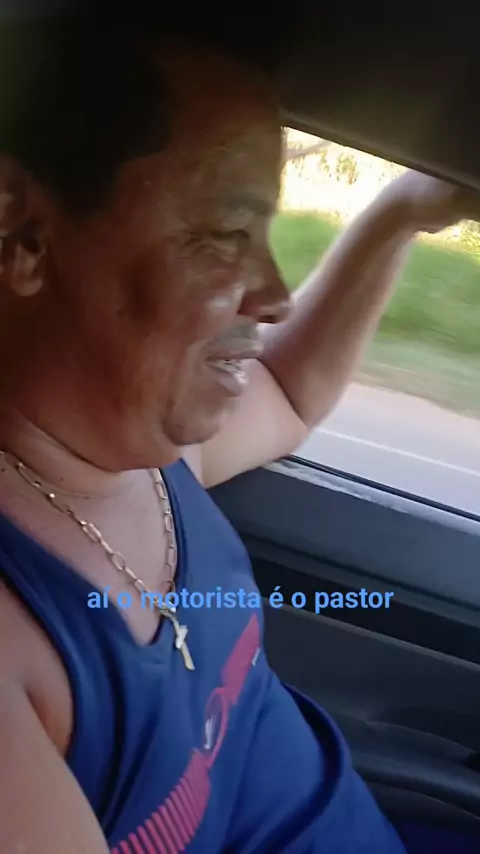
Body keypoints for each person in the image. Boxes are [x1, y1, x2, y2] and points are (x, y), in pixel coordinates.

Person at [0, 10, 478, 854]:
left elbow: (287, 394)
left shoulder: (145, 456)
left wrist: (402, 210)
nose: (275, 294)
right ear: (20, 232)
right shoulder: (20, 648)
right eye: (225, 235)